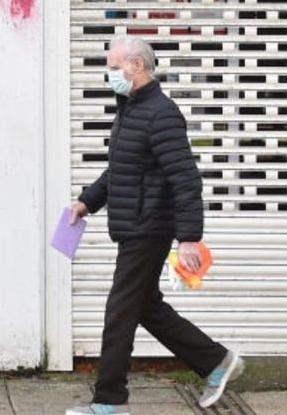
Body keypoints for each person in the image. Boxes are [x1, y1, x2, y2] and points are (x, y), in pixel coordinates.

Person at [65, 36, 241, 414]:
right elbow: (120, 171)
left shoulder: (161, 114)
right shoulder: (131, 109)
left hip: (148, 228)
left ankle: (110, 402)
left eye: (114, 68)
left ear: (137, 66)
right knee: (145, 306)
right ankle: (216, 361)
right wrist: (86, 202)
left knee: (119, 313)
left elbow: (185, 178)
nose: (110, 75)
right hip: (135, 225)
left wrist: (189, 238)